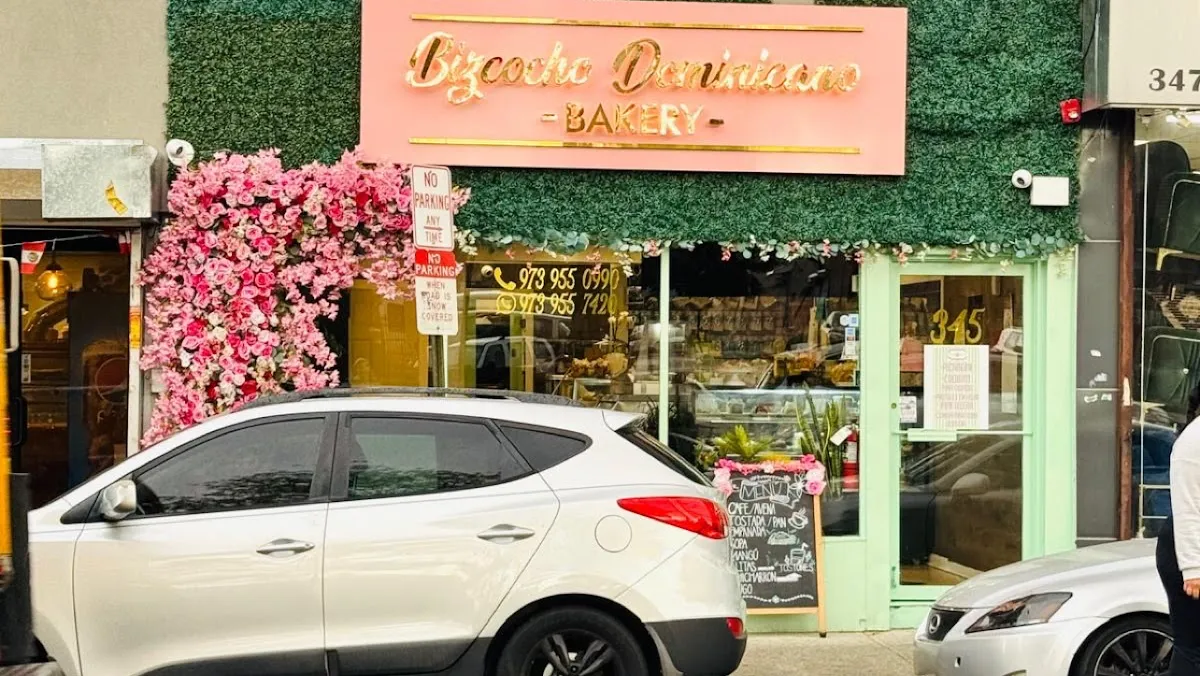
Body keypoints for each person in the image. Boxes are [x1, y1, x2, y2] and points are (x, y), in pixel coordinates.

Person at [1159, 385, 1200, 674]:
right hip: (1189, 549)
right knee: (1194, 647)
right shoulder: (1194, 439)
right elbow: (1187, 506)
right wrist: (1193, 568)